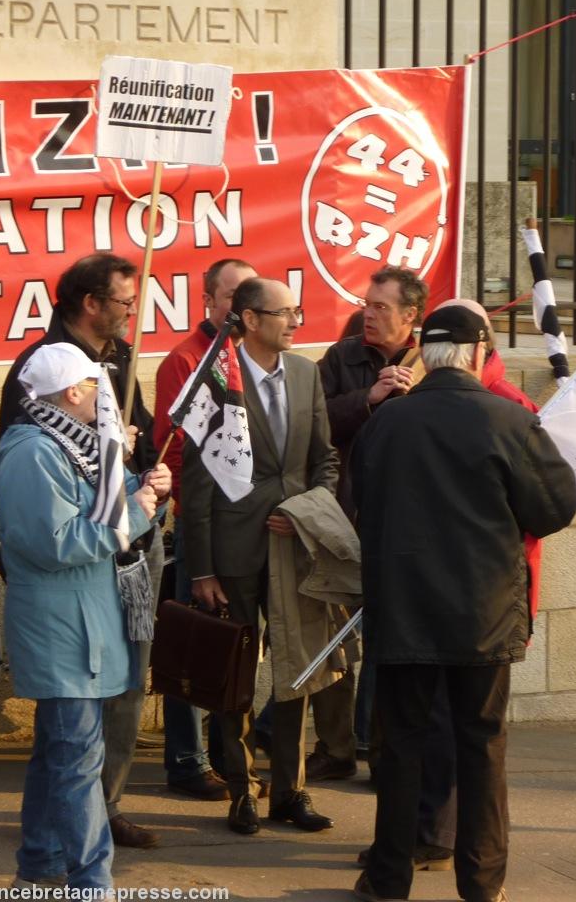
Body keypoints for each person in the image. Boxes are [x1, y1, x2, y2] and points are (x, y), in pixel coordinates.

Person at [350, 305, 576, 902]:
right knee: (482, 750)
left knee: (399, 749)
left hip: (403, 611)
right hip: (483, 613)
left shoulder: (386, 423)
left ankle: (388, 879)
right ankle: (482, 885)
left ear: (425, 354)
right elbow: (554, 508)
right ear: (479, 354)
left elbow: (359, 504)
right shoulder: (509, 420)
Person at [0, 252, 166, 850]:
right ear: (90, 303)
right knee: (71, 746)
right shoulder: (45, 373)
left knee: (106, 710)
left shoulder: (118, 360)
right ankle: (87, 856)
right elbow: (48, 530)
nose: (132, 312)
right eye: (125, 302)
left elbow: (130, 439)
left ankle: (80, 824)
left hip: (117, 566)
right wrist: (131, 500)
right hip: (72, 594)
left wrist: (140, 479)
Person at [183, 277, 339, 837]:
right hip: (234, 553)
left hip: (294, 546)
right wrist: (201, 567)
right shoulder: (218, 380)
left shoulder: (305, 373)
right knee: (237, 676)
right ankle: (242, 791)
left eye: (298, 311)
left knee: (297, 667)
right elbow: (197, 481)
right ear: (249, 319)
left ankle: (291, 791)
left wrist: (308, 513)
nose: (296, 322)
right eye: (284, 313)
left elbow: (325, 459)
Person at [314, 266, 429, 782]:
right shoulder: (341, 359)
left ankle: (384, 755)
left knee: (392, 646)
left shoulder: (431, 362)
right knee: (334, 643)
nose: (369, 314)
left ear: (410, 316)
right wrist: (368, 398)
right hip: (345, 517)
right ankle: (335, 749)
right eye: (367, 303)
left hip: (405, 526)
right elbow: (314, 423)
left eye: (382, 307)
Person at [154, 257, 257, 801]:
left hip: (245, 527)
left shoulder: (251, 359)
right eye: (231, 296)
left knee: (233, 646)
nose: (239, 306)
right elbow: (171, 445)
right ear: (209, 302)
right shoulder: (188, 359)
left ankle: (227, 754)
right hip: (200, 522)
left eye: (249, 296)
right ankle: (186, 761)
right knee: (193, 642)